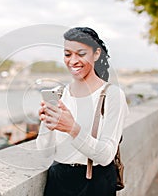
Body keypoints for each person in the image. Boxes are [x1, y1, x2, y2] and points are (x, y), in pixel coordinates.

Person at [36, 27, 129, 196]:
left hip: (95, 182)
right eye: (67, 54)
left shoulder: (112, 95)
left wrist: (72, 128)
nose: (73, 61)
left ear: (96, 54)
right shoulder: (59, 93)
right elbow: (45, 154)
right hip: (58, 180)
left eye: (81, 53)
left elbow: (106, 156)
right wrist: (47, 127)